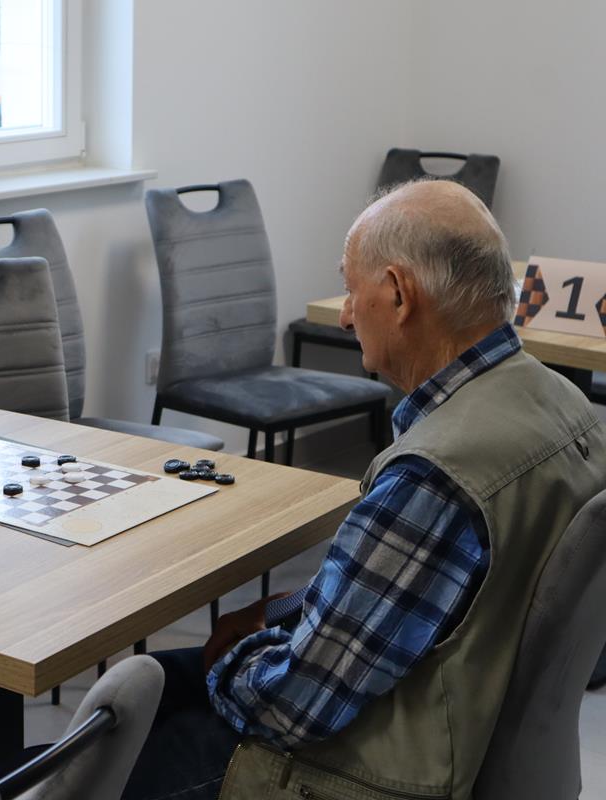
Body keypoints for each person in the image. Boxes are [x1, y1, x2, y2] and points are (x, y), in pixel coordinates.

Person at [122, 179, 606, 800]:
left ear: (399, 294)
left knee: (105, 747)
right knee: (158, 682)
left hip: (373, 771)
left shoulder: (433, 477)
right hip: (467, 729)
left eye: (353, 290)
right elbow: (433, 596)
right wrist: (281, 615)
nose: (347, 315)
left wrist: (230, 661)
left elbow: (292, 706)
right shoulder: (568, 405)